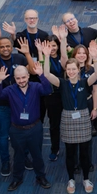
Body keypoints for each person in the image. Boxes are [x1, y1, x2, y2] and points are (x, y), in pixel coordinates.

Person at [42, 41, 97, 194]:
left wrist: (94, 58)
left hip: (82, 117)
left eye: (74, 69)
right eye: (69, 69)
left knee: (84, 151)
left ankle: (86, 178)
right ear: (66, 70)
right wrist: (46, 57)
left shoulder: (85, 82)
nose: (71, 72)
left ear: (78, 70)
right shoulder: (61, 83)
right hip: (68, 117)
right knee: (70, 152)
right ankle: (71, 179)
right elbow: (47, 74)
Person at [0, 60, 54, 191]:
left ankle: (41, 176)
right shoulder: (9, 90)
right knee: (18, 155)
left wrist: (41, 75)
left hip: (35, 128)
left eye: (23, 77)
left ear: (28, 76)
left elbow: (48, 90)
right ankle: (17, 178)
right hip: (16, 130)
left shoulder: (36, 86)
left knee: (37, 154)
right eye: (18, 78)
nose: (21, 80)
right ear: (14, 78)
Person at [0, 37, 29, 177]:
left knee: (23, 133)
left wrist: (27, 54)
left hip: (20, 104)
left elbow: (33, 72)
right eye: (2, 47)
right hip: (2, 106)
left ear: (12, 47)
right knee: (3, 136)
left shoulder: (20, 58)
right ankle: (5, 162)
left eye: (7, 46)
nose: (5, 49)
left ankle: (24, 157)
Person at [37, 34, 68, 162]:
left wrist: (63, 42)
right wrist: (41, 52)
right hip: (51, 96)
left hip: (65, 94)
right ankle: (55, 149)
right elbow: (43, 74)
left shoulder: (64, 57)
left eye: (54, 45)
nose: (52, 48)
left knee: (67, 123)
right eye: (49, 46)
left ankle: (70, 147)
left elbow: (66, 63)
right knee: (54, 124)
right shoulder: (45, 59)